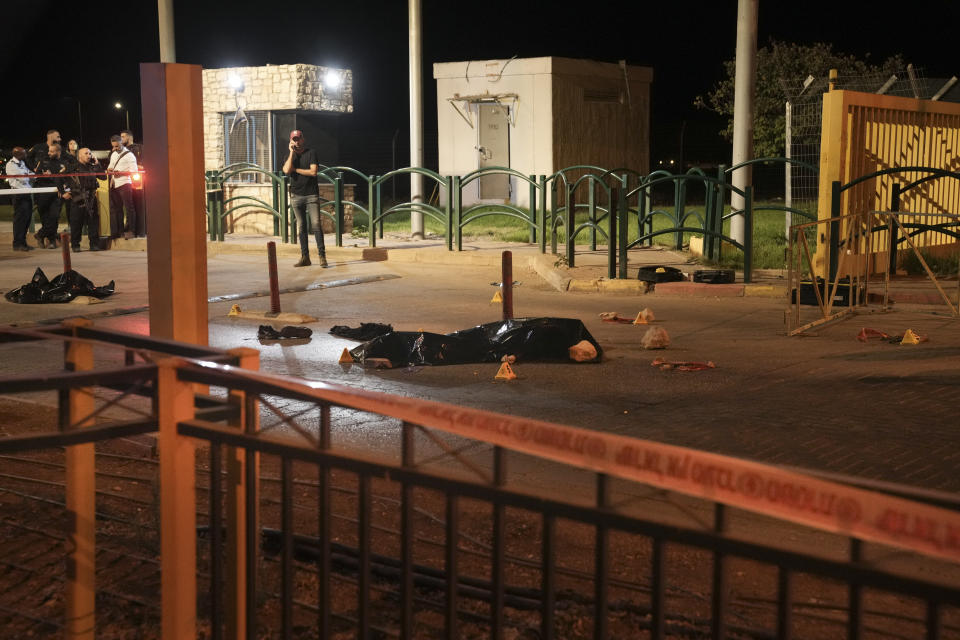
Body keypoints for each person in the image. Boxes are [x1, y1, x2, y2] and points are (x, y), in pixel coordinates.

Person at [282, 129, 327, 267]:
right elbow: (286, 170)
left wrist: (296, 170)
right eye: (294, 139)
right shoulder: (290, 156)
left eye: (298, 139)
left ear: (303, 139)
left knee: (316, 225)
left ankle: (322, 256)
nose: (297, 141)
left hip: (311, 194)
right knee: (301, 227)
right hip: (296, 195)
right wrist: (291, 152)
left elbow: (313, 172)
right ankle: (305, 257)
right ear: (291, 141)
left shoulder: (311, 153)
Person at [32, 142, 70, 249]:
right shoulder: (43, 161)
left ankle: (40, 234)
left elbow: (67, 178)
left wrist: (62, 185)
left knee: (54, 217)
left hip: (56, 194)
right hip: (43, 194)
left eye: (52, 151)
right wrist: (46, 176)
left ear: (58, 152)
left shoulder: (64, 163)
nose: (49, 153)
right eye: (49, 150)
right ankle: (50, 240)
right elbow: (37, 176)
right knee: (45, 219)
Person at [66, 148, 102, 251]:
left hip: (91, 198)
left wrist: (97, 164)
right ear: (80, 156)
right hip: (78, 198)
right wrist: (63, 191)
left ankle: (94, 244)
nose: (89, 155)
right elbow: (60, 178)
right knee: (76, 223)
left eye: (90, 153)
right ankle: (75, 245)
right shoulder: (73, 167)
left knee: (93, 222)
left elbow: (103, 177)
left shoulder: (92, 167)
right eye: (86, 153)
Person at [106, 134, 139, 239]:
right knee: (117, 209)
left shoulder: (130, 155)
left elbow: (134, 171)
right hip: (114, 184)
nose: (115, 149)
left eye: (117, 146)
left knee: (129, 208)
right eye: (114, 146)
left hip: (125, 183)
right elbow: (110, 166)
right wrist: (109, 170)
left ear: (121, 143)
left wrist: (121, 173)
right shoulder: (113, 154)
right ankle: (119, 231)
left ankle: (132, 231)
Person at [4, 147, 35, 251]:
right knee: (20, 220)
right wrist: (28, 176)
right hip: (18, 194)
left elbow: (30, 175)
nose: (26, 155)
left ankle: (23, 242)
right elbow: (23, 178)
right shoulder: (11, 164)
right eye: (24, 154)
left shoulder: (22, 163)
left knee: (27, 219)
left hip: (26, 193)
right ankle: (17, 243)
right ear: (18, 154)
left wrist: (29, 175)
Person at [120, 129, 145, 236]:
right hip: (125, 181)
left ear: (129, 137)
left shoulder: (139, 148)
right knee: (129, 206)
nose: (121, 139)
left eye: (123, 137)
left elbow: (145, 162)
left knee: (139, 204)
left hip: (138, 180)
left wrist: (140, 166)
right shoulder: (121, 150)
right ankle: (130, 228)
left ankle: (141, 230)